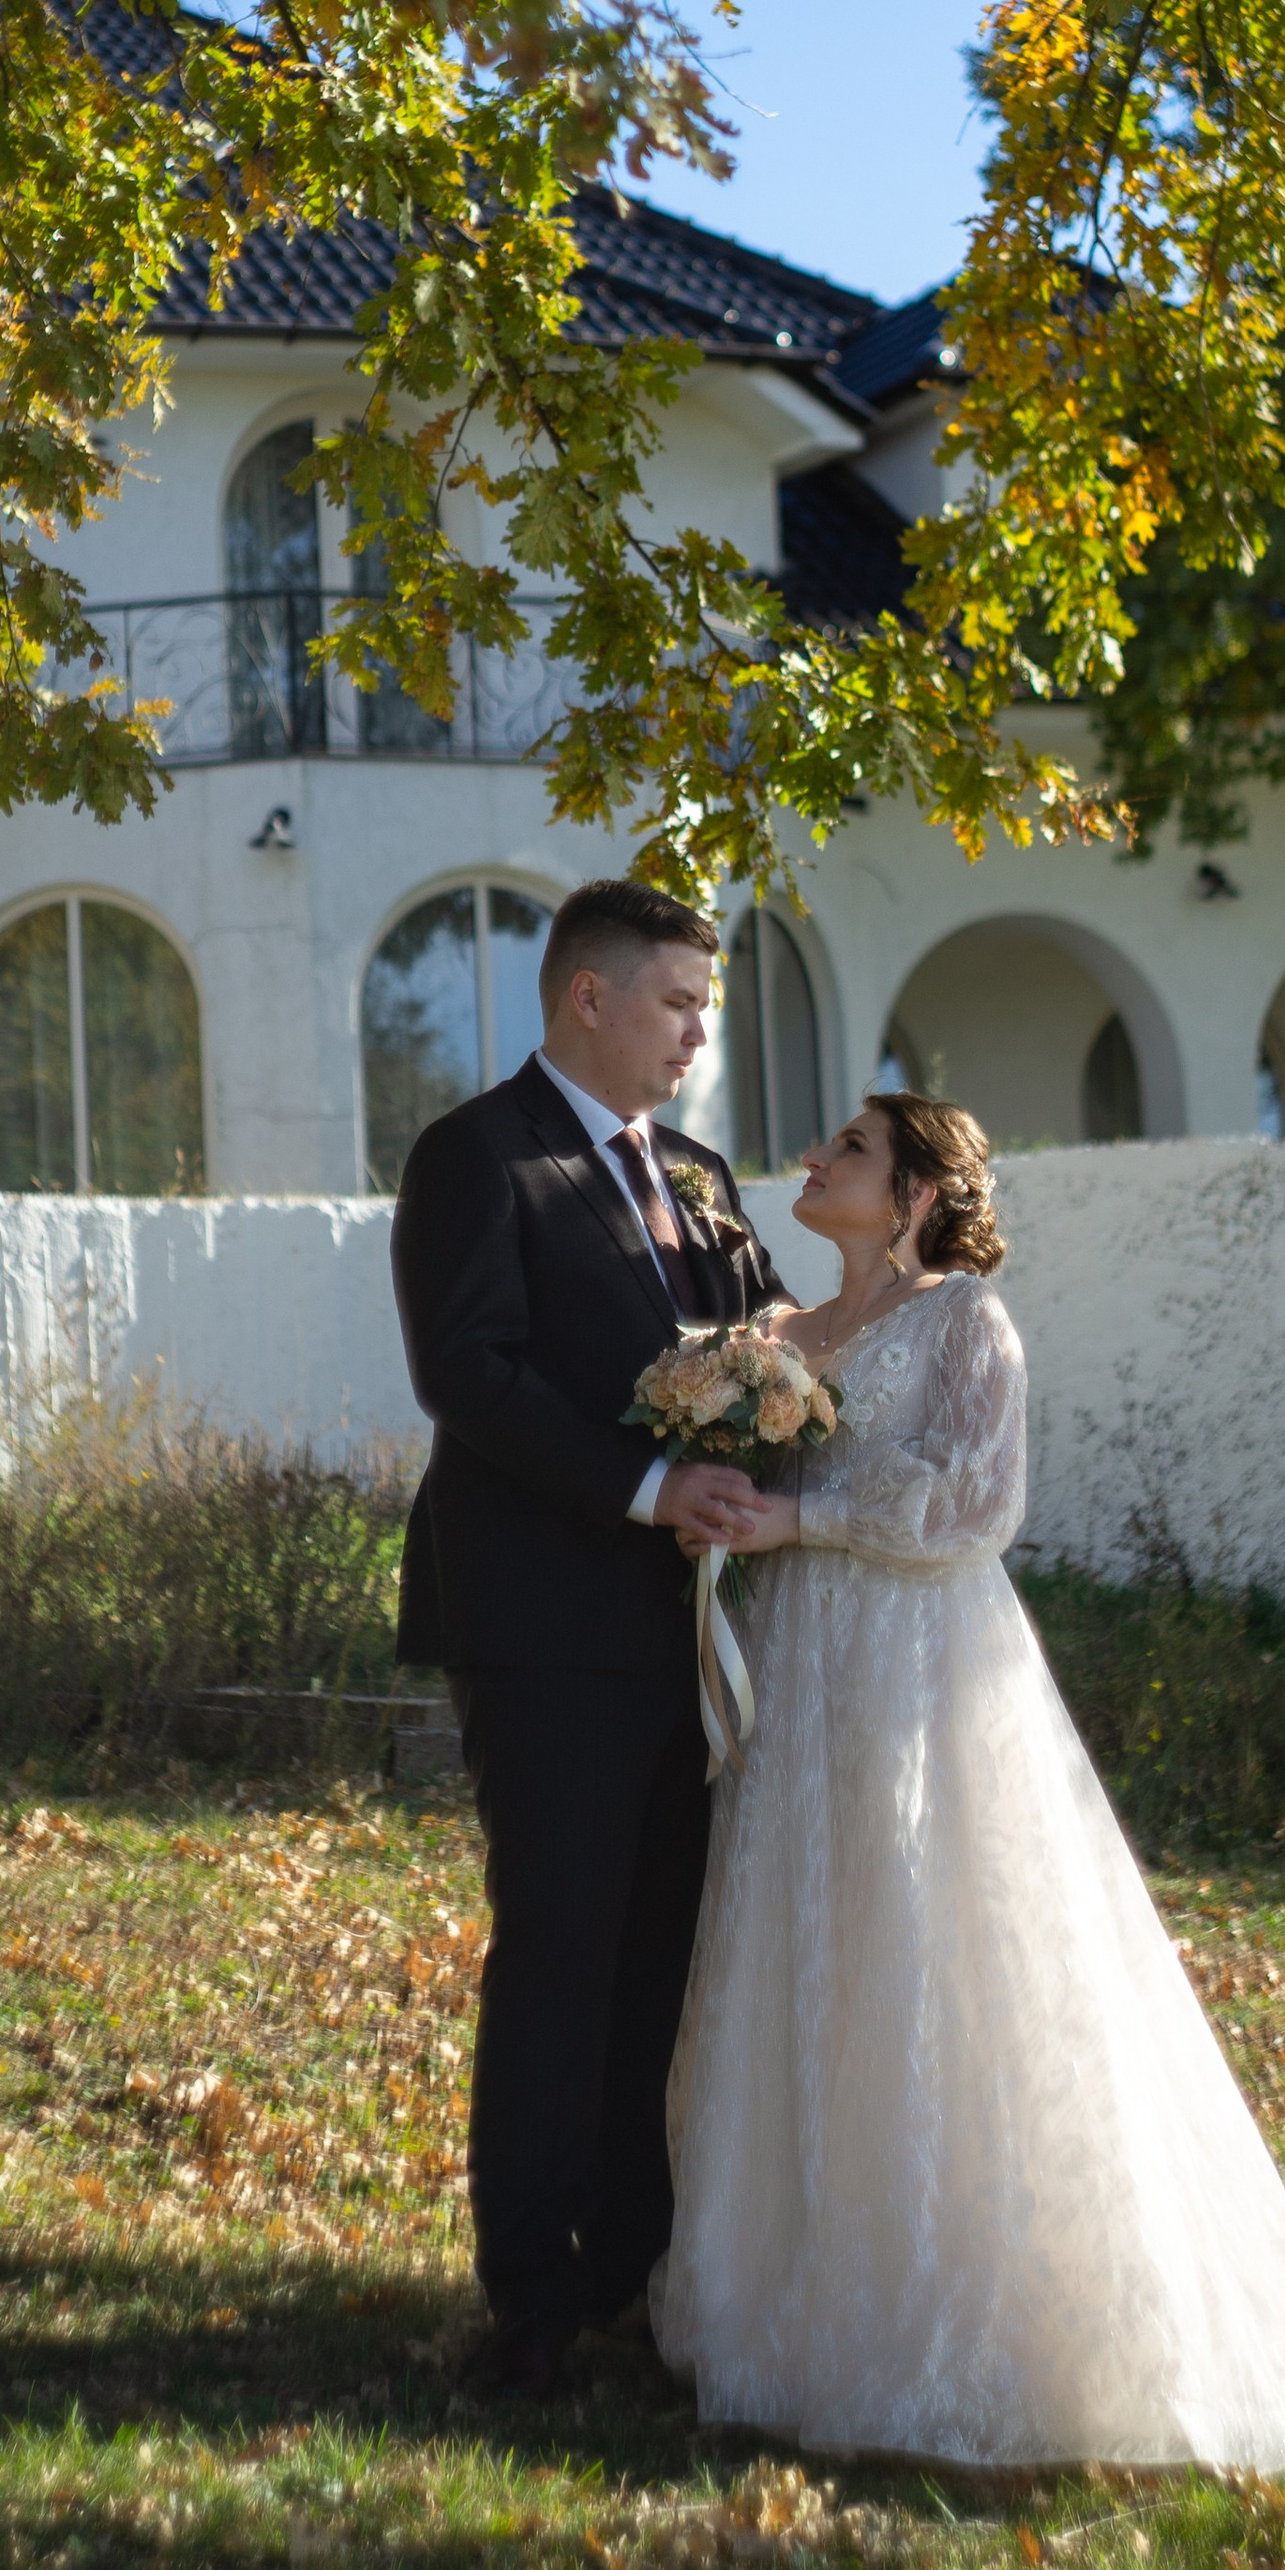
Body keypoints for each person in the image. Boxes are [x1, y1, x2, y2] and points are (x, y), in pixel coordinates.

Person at [655, 1089, 1285, 2471]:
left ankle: (973, 2310)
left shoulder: (964, 1321)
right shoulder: (772, 1339)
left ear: (919, 1195)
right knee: (811, 1941)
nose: (815, 1161)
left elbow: (984, 1501)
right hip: (795, 1668)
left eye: (852, 1150)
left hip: (916, 1662)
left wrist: (799, 1516)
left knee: (932, 1943)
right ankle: (797, 2306)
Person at [391, 877, 788, 2395]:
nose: (700, 1033)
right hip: (544, 1624)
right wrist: (646, 1487)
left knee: (665, 1958)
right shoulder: (475, 1158)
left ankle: (639, 2267)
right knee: (562, 1947)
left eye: (709, 1008)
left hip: (691, 1627)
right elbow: (468, 1378)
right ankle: (533, 2294)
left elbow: (758, 1345)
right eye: (682, 1003)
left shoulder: (697, 1169)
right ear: (589, 999)